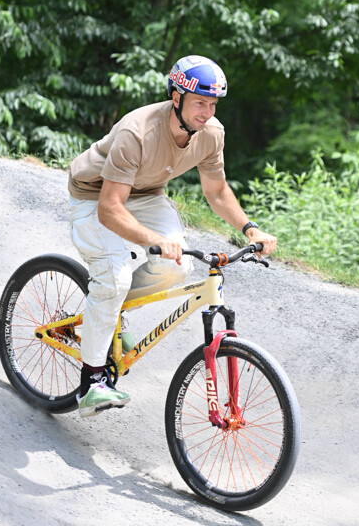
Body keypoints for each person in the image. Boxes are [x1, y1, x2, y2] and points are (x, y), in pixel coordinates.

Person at [68, 55, 277, 417]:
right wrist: (154, 239)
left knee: (177, 267)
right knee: (114, 276)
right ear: (176, 96)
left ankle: (110, 317)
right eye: (200, 102)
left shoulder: (210, 133)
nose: (207, 112)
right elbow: (110, 207)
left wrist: (249, 227)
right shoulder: (138, 131)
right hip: (94, 193)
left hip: (147, 194)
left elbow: (217, 192)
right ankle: (92, 381)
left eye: (212, 104)